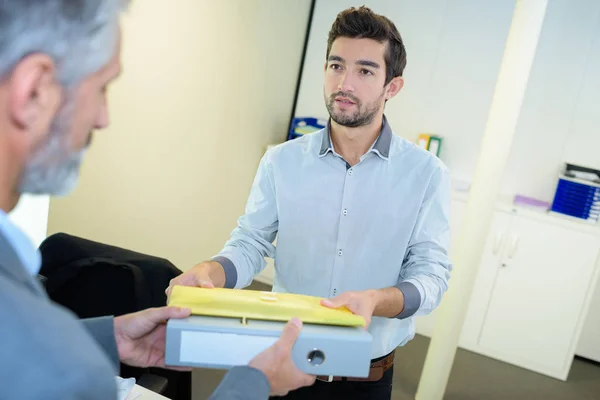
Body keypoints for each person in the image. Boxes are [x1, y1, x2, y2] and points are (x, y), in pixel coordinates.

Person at [0, 1, 314, 399]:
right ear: (34, 90)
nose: (103, 117)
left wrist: (108, 336)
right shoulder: (69, 374)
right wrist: (255, 382)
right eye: (101, 88)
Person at [168, 6, 453, 400]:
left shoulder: (426, 173)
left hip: (366, 379)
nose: (345, 83)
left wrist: (377, 300)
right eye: (336, 66)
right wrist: (210, 271)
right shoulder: (281, 161)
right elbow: (251, 244)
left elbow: (432, 275)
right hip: (284, 365)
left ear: (393, 87)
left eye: (365, 71)